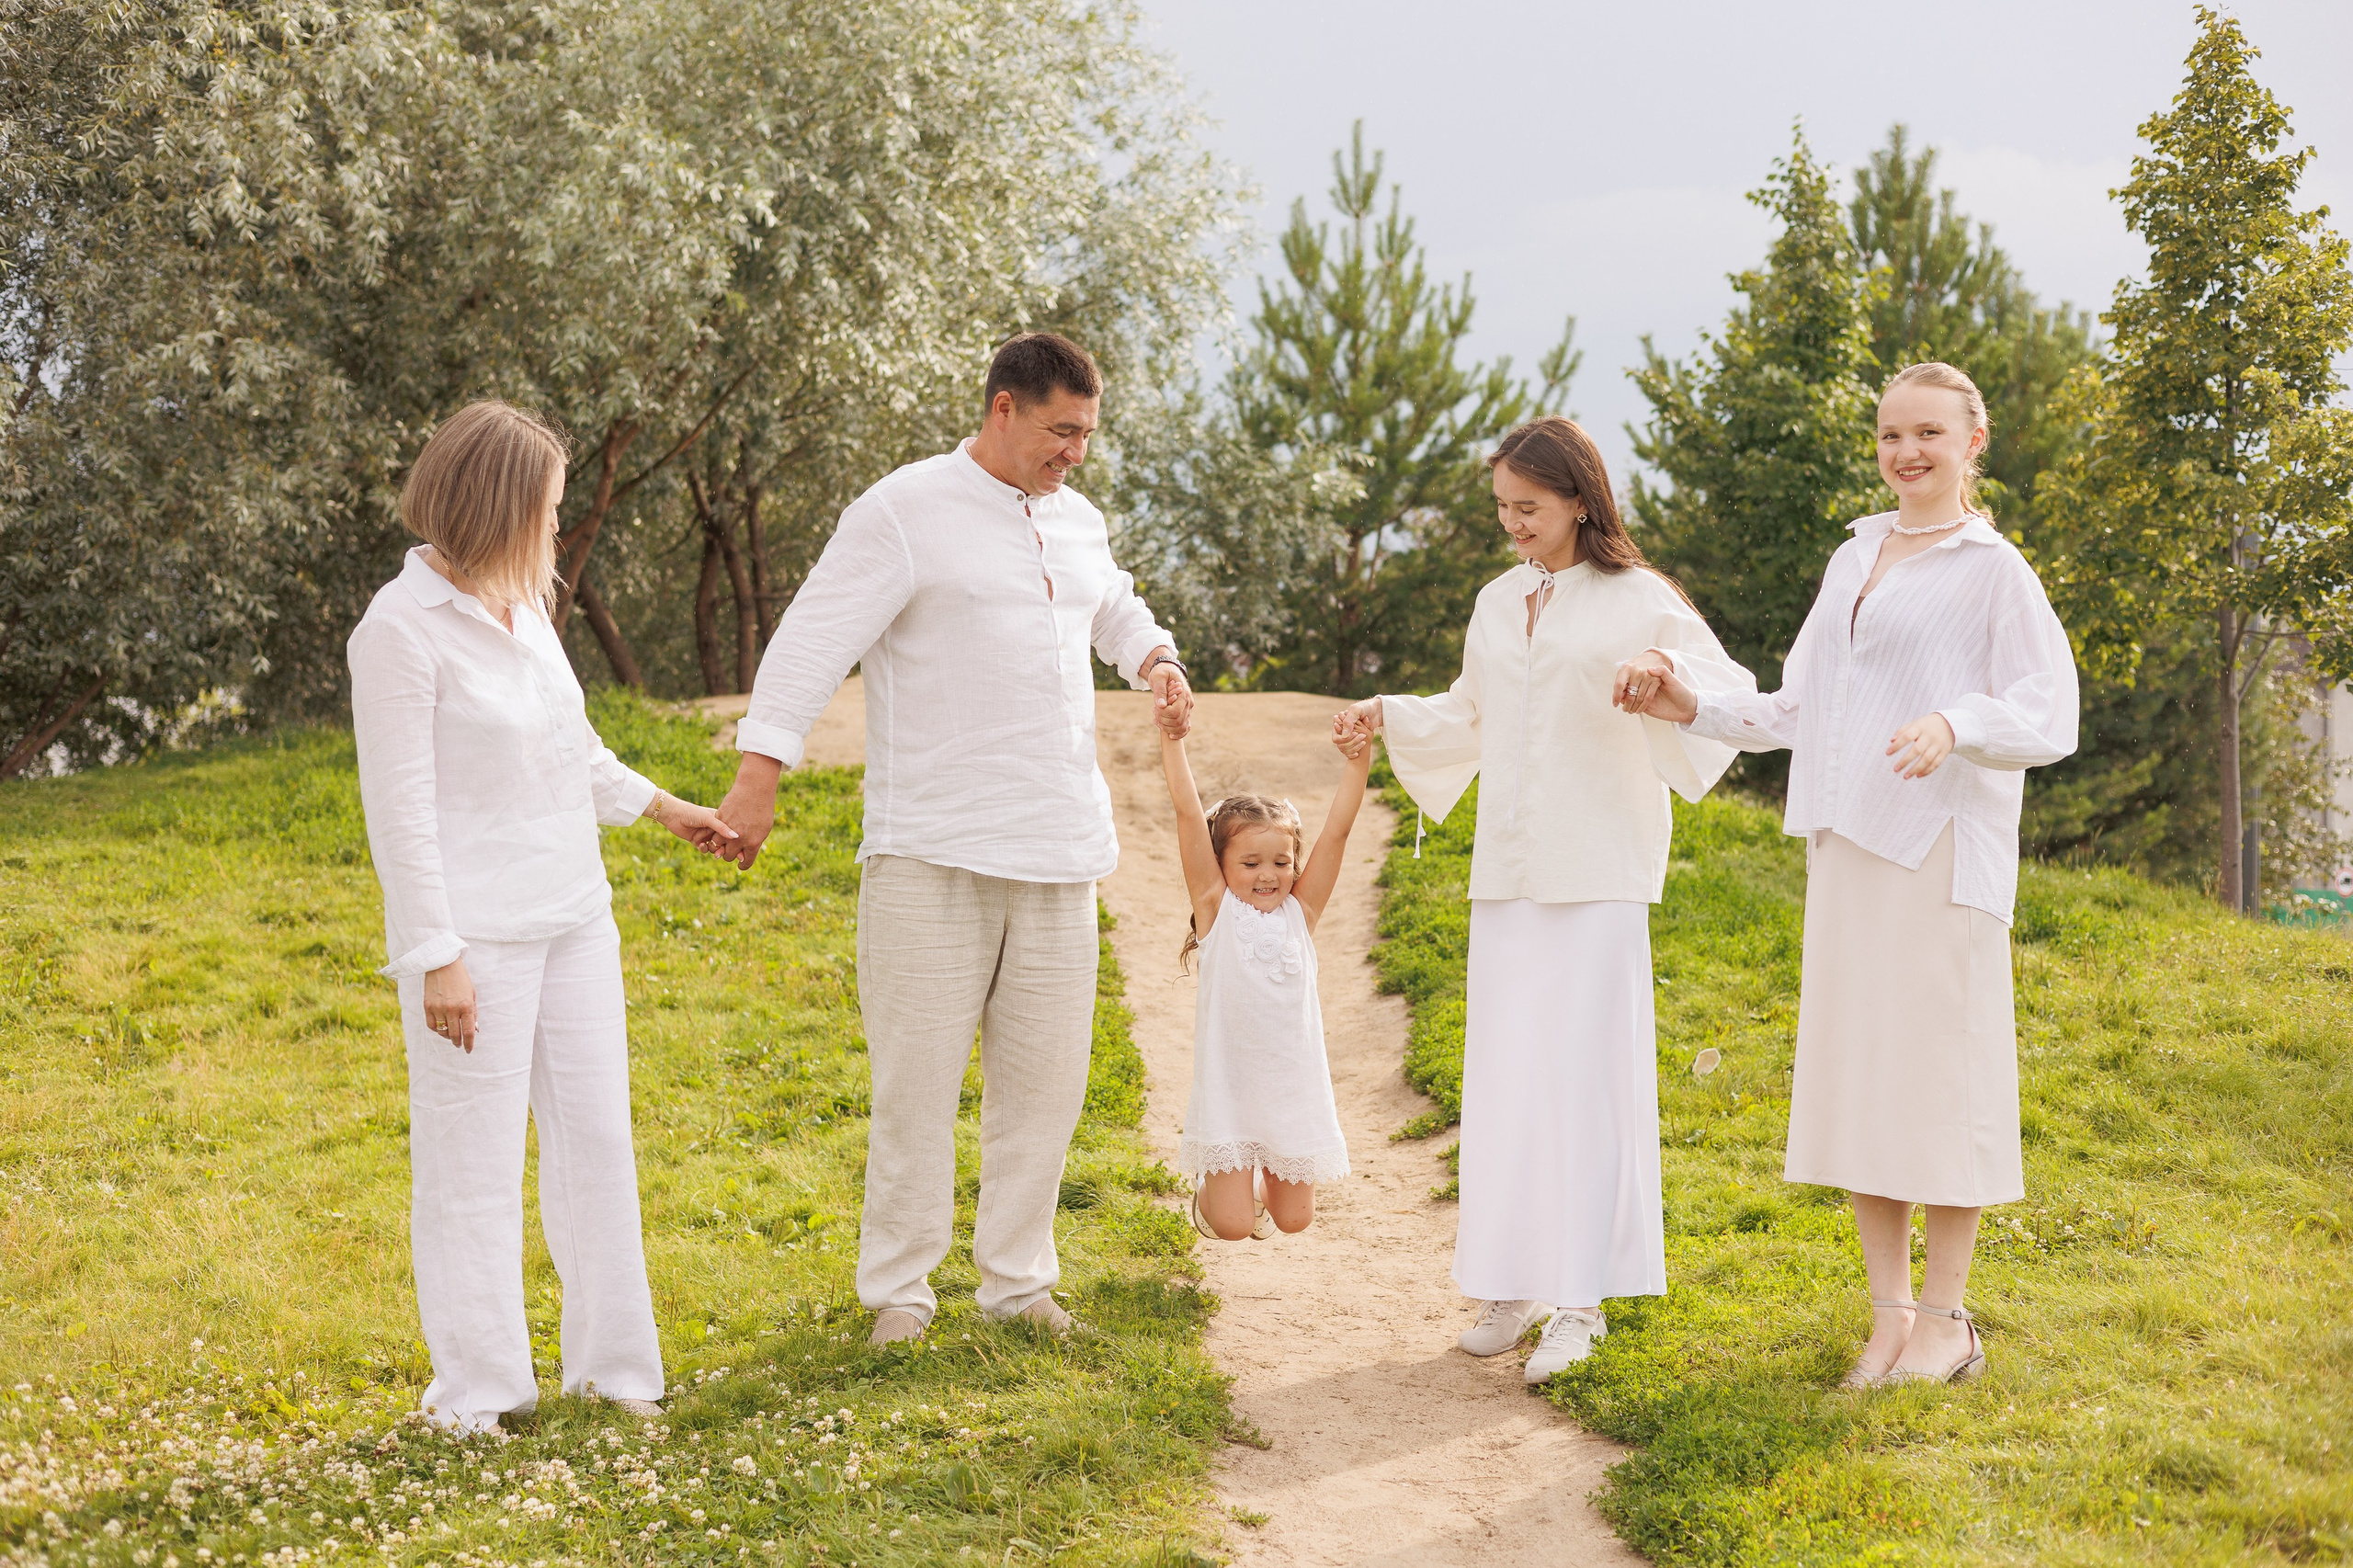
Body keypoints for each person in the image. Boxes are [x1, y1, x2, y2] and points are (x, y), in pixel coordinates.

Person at [710, 332, 1194, 1346]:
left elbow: (1105, 599)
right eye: (1062, 432)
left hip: (1059, 847)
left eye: (1088, 434)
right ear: (1003, 409)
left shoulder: (1079, 519)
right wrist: (760, 777)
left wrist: (1152, 653)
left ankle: (1018, 1282)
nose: (1076, 453)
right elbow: (811, 639)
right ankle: (899, 1291)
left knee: (1046, 1086)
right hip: (928, 845)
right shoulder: (902, 510)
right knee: (917, 1083)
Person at [1616, 361, 2079, 1387]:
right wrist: (1688, 706)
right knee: (1862, 1083)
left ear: (1972, 441)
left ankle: (1949, 1322)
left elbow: (2048, 712)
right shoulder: (1853, 555)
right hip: (1847, 849)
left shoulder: (1995, 568)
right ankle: (1889, 1315)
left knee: (1937, 1085)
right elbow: (1798, 706)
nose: (1906, 451)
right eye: (1887, 435)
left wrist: (1954, 721)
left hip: (1939, 854)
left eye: (1926, 433)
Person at [1334, 415, 1754, 1383]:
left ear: (1578, 499)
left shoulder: (1639, 596)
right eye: (1502, 510)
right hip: (1510, 871)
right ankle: (1512, 1282)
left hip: (1598, 869)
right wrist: (1388, 711)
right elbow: (1470, 713)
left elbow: (1726, 691)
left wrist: (1666, 673)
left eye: (1528, 507)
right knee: (1512, 1075)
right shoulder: (1496, 600)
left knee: (1586, 1083)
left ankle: (1581, 1300)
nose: (1513, 524)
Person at [348, 400, 738, 1432]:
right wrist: (436, 956)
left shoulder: (523, 606)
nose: (556, 531)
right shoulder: (397, 632)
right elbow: (401, 814)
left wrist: (666, 808)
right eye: (549, 511)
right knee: (471, 1170)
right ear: (497, 506)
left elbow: (573, 748)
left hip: (575, 919)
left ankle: (616, 1373)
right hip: (475, 940)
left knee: (597, 1145)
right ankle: (480, 1396)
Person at [1160, 721, 1368, 1242]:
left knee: (1295, 1220)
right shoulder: (1216, 912)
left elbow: (1337, 832)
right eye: (1250, 862)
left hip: (1290, 1092)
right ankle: (1217, 1195)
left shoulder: (1302, 913)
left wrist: (1357, 759)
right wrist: (1172, 737)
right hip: (1230, 1090)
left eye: (1281, 861)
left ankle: (1256, 1187)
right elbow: (1188, 811)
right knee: (1230, 1227)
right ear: (1221, 864)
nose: (1268, 874)